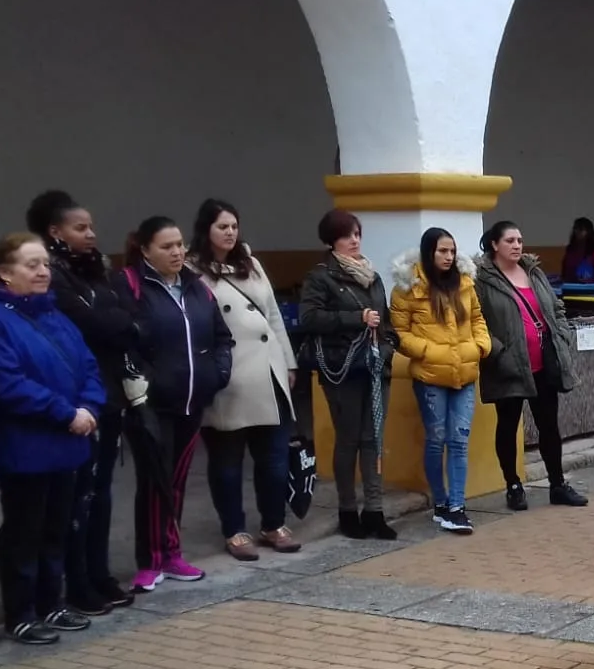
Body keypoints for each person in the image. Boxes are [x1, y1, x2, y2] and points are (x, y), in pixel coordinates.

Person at [0, 233, 105, 644]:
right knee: (24, 532)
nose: (42, 272)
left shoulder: (55, 315)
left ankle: (52, 602)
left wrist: (89, 407)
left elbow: (88, 365)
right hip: (25, 446)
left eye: (45, 265)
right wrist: (65, 413)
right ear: (4, 272)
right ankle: (22, 612)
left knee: (58, 528)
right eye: (31, 265)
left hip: (69, 443)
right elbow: (6, 384)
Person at [25, 191, 137, 615]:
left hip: (105, 395)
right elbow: (90, 324)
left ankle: (97, 572)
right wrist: (116, 323)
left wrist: (117, 323)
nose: (91, 234)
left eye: (91, 227)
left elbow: (126, 317)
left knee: (102, 492)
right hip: (76, 404)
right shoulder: (54, 275)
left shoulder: (96, 271)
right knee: (78, 497)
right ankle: (75, 582)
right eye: (80, 228)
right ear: (55, 232)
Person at [112, 216, 234, 593]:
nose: (177, 252)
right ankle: (149, 561)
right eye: (167, 246)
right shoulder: (131, 286)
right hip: (152, 404)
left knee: (177, 480)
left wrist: (217, 374)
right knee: (154, 480)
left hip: (191, 401)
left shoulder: (197, 288)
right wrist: (147, 384)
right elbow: (125, 344)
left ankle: (172, 552)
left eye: (180, 244)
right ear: (145, 249)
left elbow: (221, 338)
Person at [189, 199, 300, 560]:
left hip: (267, 372)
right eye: (222, 226)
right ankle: (234, 530)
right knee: (227, 460)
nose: (230, 232)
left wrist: (287, 361)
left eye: (234, 225)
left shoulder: (250, 263)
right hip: (229, 376)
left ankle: (273, 523)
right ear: (206, 229)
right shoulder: (194, 270)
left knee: (274, 457)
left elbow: (272, 316)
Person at [475, 221, 588, 512]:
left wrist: (560, 334)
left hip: (543, 362)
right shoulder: (481, 280)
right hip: (508, 365)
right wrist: (498, 351)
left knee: (549, 426)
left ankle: (557, 484)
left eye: (519, 240)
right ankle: (513, 485)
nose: (516, 246)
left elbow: (556, 307)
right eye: (510, 240)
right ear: (494, 245)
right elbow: (475, 321)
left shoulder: (533, 272)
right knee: (508, 425)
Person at [299, 210, 398, 541]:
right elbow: (310, 319)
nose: (354, 240)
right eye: (346, 235)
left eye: (357, 233)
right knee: (349, 440)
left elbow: (385, 323)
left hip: (374, 367)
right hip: (342, 369)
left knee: (374, 440)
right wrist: (355, 317)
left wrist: (387, 350)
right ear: (331, 241)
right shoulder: (321, 277)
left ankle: (374, 510)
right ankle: (346, 510)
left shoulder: (372, 275)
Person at [390, 228, 492, 533]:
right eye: (441, 251)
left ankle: (457, 508)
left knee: (459, 440)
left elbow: (477, 320)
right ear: (428, 252)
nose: (448, 257)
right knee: (436, 440)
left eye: (451, 251)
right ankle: (441, 501)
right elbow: (399, 333)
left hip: (465, 373)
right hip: (430, 376)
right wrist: (427, 352)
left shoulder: (464, 283)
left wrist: (480, 347)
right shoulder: (407, 288)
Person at [561, 217, 594, 285]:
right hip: (571, 288)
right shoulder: (570, 251)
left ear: (588, 232)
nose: (577, 232)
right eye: (575, 229)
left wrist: (591, 281)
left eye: (581, 229)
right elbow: (564, 273)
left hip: (589, 289)